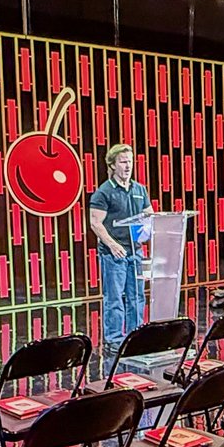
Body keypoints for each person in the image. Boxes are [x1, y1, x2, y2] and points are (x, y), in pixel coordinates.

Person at [88, 143, 149, 355]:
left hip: (135, 251)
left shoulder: (139, 189)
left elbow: (149, 214)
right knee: (115, 298)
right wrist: (112, 245)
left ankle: (135, 335)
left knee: (137, 296)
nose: (128, 166)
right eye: (123, 162)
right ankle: (114, 339)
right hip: (114, 253)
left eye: (130, 162)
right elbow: (96, 223)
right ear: (112, 165)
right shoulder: (103, 193)